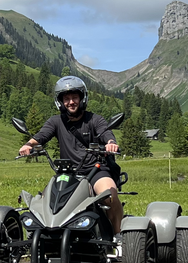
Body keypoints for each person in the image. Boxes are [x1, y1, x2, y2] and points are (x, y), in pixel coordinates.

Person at [18, 76, 124, 233]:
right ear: (60, 102)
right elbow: (41, 135)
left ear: (82, 98)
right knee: (46, 202)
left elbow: (105, 132)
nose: (71, 102)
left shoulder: (94, 119)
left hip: (95, 170)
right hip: (67, 172)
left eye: (74, 97)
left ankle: (118, 235)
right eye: (66, 99)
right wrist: (28, 145)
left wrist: (110, 143)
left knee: (110, 194)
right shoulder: (55, 121)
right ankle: (47, 237)